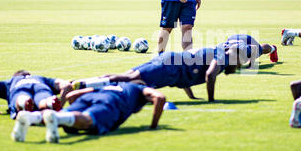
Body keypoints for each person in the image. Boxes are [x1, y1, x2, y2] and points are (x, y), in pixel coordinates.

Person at [71, 45, 248, 102]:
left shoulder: (216, 53)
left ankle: (86, 85)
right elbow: (209, 75)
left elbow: (187, 75)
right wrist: (211, 101)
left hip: (168, 61)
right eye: (240, 60)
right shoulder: (222, 57)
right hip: (168, 67)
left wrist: (191, 96)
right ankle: (85, 84)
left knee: (130, 78)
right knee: (129, 80)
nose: (240, 64)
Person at [12, 82, 166, 143]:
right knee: (88, 119)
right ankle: (58, 117)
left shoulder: (113, 84)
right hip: (112, 102)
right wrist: (153, 125)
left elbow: (72, 95)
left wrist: (76, 106)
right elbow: (160, 97)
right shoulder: (139, 89)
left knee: (63, 117)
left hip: (90, 96)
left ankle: (30, 117)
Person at [0, 70, 72, 119]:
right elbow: (66, 85)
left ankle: (24, 102)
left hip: (19, 89)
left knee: (21, 97)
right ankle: (50, 103)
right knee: (43, 100)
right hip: (41, 87)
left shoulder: (11, 81)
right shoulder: (39, 78)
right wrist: (61, 104)